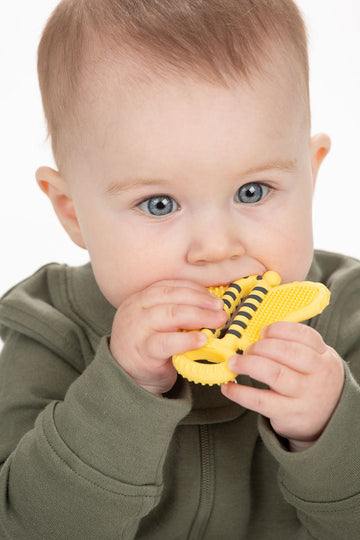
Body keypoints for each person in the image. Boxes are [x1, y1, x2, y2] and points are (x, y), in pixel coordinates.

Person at [0, 0, 359, 538]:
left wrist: (330, 431)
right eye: (159, 204)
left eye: (252, 191)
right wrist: (123, 389)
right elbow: (25, 526)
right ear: (72, 211)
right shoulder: (50, 332)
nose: (216, 248)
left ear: (310, 175)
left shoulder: (347, 315)